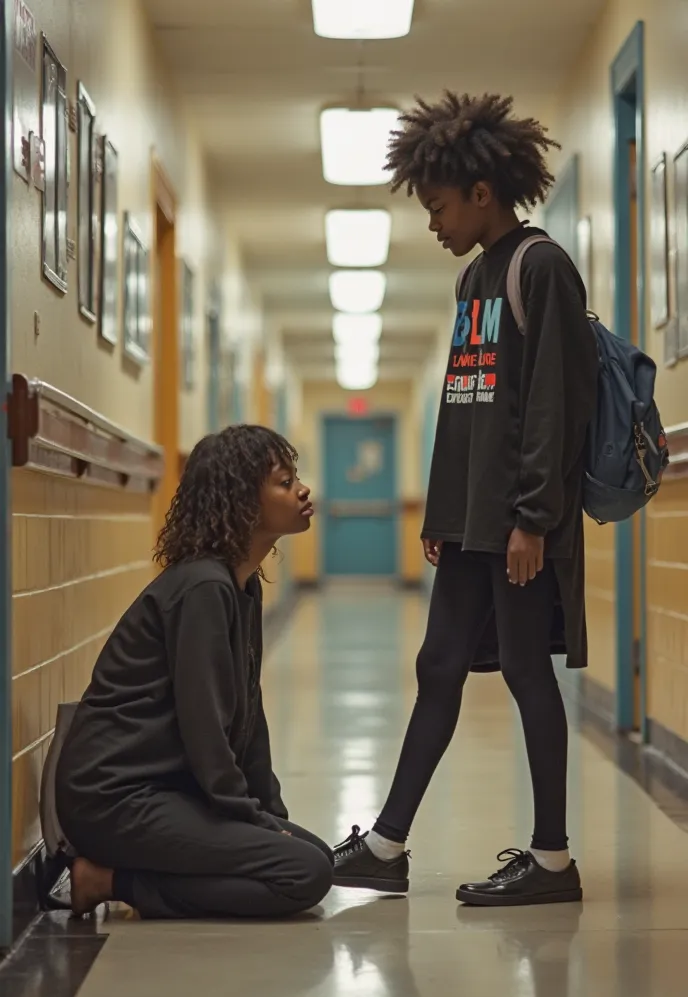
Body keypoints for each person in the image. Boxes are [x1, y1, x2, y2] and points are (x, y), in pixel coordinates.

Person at [333, 92, 599, 907]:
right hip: (474, 523)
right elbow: (465, 405)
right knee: (439, 663)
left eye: (438, 205)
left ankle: (552, 861)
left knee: (525, 671)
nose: (433, 221)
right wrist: (445, 514)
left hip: (518, 523)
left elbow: (552, 406)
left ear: (482, 192)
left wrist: (532, 521)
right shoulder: (470, 281)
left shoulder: (539, 267)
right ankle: (387, 844)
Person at [56, 425, 333, 920]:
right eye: (284, 481)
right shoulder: (203, 588)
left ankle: (130, 874)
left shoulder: (239, 587)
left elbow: (249, 719)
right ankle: (108, 880)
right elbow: (204, 725)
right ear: (243, 500)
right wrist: (250, 820)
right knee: (303, 874)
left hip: (168, 788)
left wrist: (268, 815)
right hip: (116, 799)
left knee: (315, 856)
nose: (302, 489)